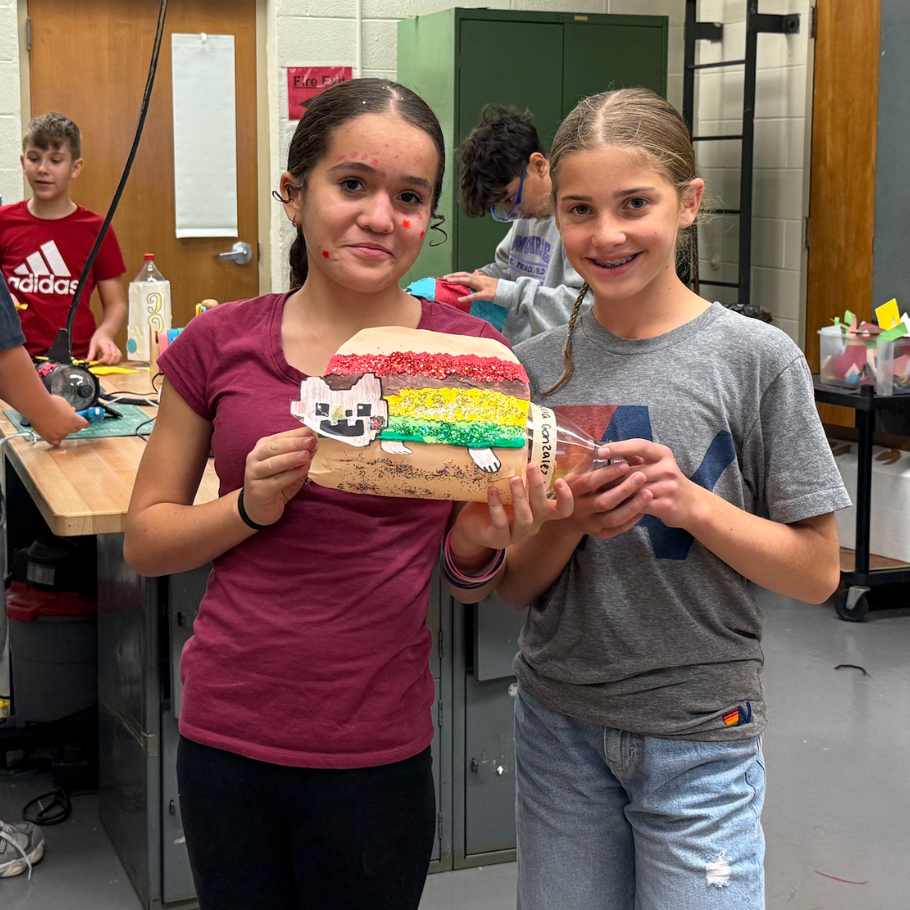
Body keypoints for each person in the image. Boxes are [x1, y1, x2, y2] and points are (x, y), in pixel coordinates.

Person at [123, 78, 570, 910]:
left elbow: (466, 579)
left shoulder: (467, 361)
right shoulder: (222, 343)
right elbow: (146, 540)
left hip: (378, 750)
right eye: (352, 184)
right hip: (228, 735)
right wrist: (248, 507)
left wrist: (479, 539)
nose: (379, 217)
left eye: (410, 197)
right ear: (293, 194)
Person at [484, 87, 850, 909]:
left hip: (701, 735)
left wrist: (692, 505)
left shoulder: (757, 359)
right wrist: (569, 520)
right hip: (559, 725)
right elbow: (514, 586)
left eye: (634, 204)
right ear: (554, 214)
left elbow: (818, 573)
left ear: (688, 203)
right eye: (580, 210)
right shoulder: (533, 366)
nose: (606, 234)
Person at [443, 105, 591, 343]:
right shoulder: (527, 217)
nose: (513, 211)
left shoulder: (578, 222)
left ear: (539, 165)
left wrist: (505, 291)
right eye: (502, 205)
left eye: (511, 198)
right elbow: (508, 270)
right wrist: (482, 278)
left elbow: (582, 309)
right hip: (521, 354)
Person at [0, 112, 127, 364]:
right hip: (13, 362)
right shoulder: (4, 221)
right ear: (23, 162)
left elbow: (116, 303)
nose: (43, 169)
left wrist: (105, 333)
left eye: (55, 160)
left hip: (76, 360)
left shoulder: (97, 229)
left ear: (75, 167)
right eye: (34, 159)